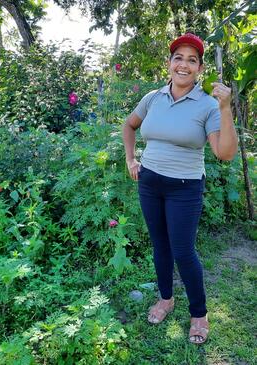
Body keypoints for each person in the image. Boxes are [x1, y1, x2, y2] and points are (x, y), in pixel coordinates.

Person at [122, 33, 238, 344]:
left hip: (184, 187)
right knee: (160, 246)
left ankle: (199, 314)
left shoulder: (208, 105)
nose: (183, 64)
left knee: (184, 252)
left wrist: (226, 109)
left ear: (199, 68)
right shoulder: (153, 98)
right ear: (169, 63)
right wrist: (131, 159)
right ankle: (166, 299)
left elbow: (224, 153)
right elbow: (128, 125)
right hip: (149, 182)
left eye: (191, 60)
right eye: (178, 58)